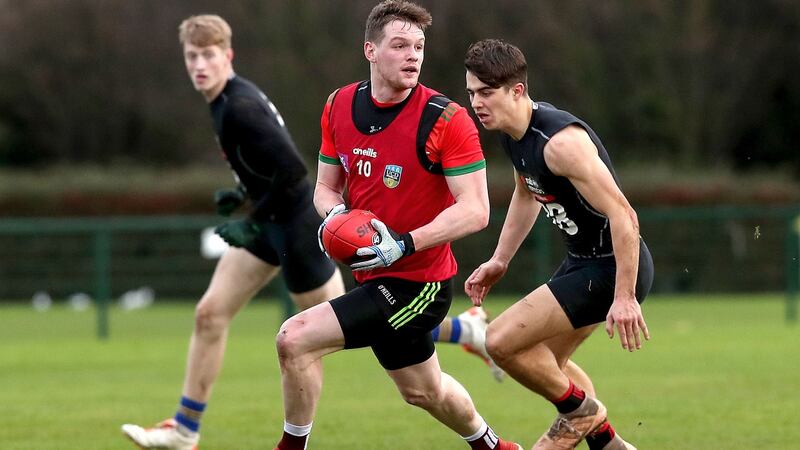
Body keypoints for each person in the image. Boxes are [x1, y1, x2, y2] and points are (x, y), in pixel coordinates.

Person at [272, 2, 520, 450]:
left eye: (419, 47)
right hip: (372, 276)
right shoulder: (338, 105)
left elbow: (476, 210)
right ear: (370, 50)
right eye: (400, 45)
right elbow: (325, 191)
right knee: (424, 391)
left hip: (418, 283)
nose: (413, 56)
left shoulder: (445, 119)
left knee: (294, 339)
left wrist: (402, 245)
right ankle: (494, 446)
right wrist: (336, 221)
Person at [120, 15, 348, 450]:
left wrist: (251, 217)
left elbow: (294, 172)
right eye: (192, 56)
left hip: (296, 228)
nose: (199, 64)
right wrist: (245, 194)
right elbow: (266, 168)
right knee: (209, 314)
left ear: (228, 56)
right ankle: (184, 430)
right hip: (270, 221)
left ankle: (462, 331)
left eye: (208, 55)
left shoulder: (239, 106)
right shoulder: (221, 98)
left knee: (355, 328)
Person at [463, 39, 654, 450]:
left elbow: (625, 215)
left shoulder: (560, 144)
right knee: (548, 364)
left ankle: (584, 414)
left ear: (517, 90)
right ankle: (608, 442)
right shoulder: (513, 134)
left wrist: (624, 297)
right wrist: (500, 259)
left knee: (498, 341)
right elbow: (525, 193)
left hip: (609, 268)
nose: (476, 103)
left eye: (486, 93)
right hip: (583, 263)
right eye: (471, 94)